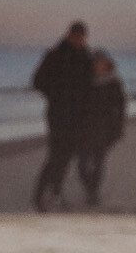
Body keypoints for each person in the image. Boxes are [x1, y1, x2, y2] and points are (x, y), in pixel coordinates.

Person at [30, 22, 94, 212]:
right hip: (58, 114)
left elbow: (90, 86)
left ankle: (56, 193)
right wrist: (58, 95)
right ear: (69, 35)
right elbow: (37, 82)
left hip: (79, 116)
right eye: (76, 36)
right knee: (56, 155)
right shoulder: (55, 55)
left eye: (82, 37)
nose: (79, 39)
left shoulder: (86, 57)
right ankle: (39, 196)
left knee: (66, 157)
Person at [77, 50, 127, 208]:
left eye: (101, 62)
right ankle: (89, 186)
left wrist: (119, 127)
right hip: (84, 128)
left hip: (104, 128)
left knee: (98, 161)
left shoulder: (113, 82)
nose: (98, 65)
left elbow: (121, 106)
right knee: (82, 164)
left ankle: (93, 192)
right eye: (95, 62)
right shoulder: (84, 80)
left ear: (107, 64)